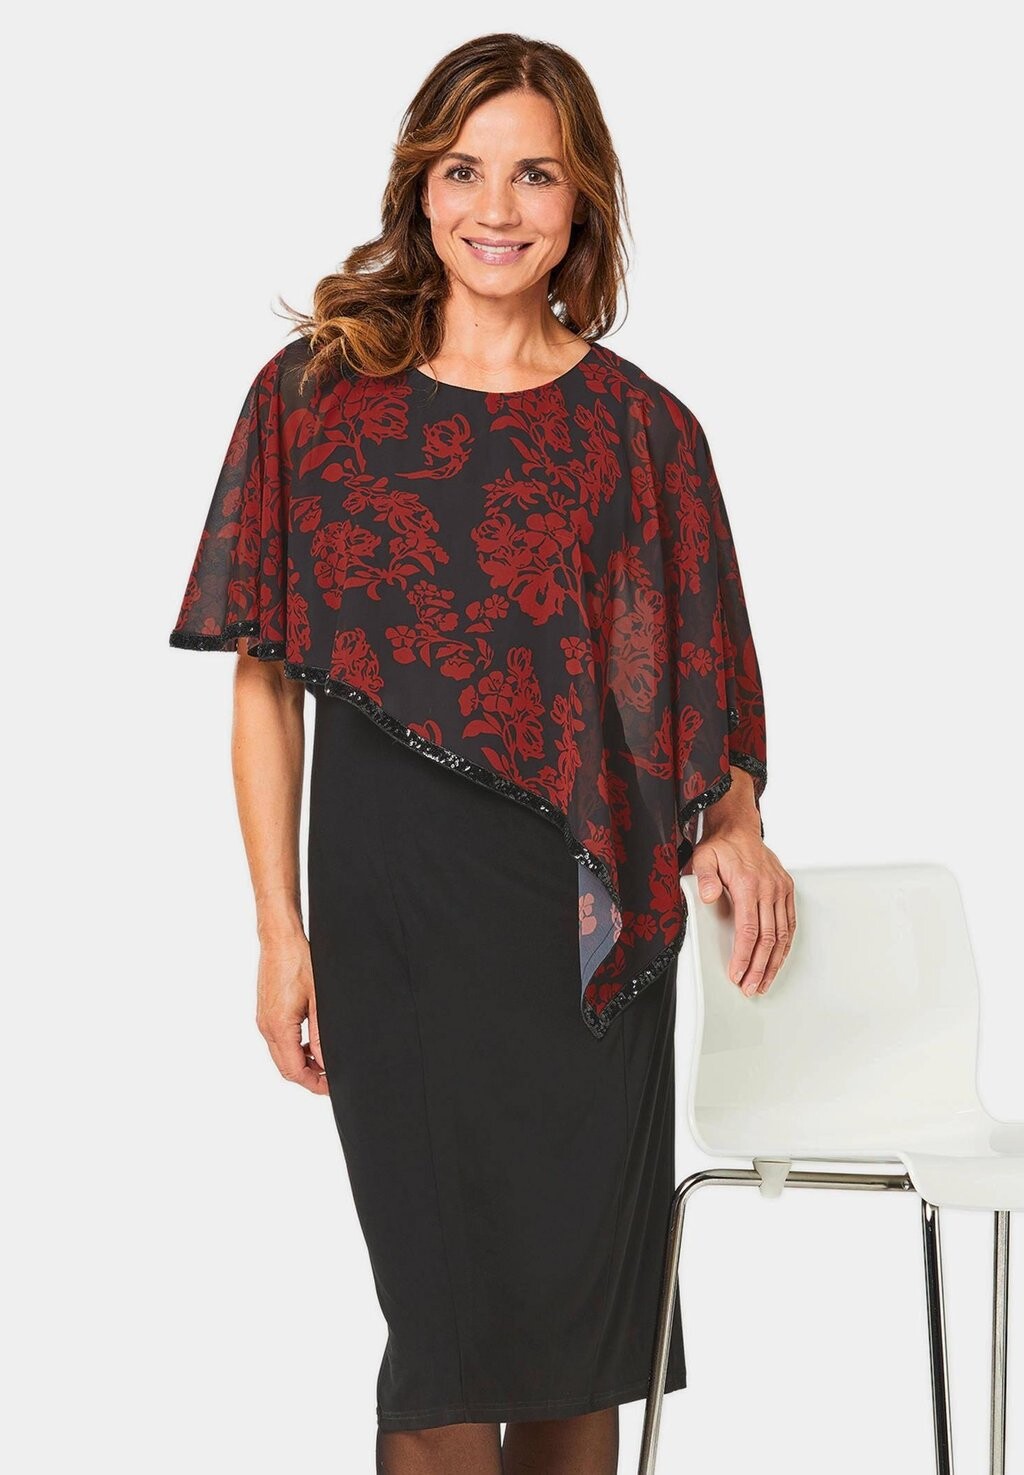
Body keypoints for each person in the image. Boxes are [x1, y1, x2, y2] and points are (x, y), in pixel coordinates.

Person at [168, 31, 796, 1475]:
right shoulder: (314, 400)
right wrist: (279, 934)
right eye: (463, 170)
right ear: (419, 186)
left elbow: (712, 693)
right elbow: (264, 685)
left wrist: (738, 823)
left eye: (535, 175)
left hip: (589, 943)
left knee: (582, 1356)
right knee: (444, 1360)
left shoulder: (645, 434)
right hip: (393, 919)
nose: (496, 208)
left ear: (584, 200)